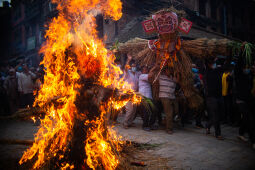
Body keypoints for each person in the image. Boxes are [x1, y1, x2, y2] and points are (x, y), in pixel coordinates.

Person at [204, 59, 224, 140]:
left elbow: (226, 65)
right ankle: (218, 133)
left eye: (214, 63)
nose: (214, 64)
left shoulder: (218, 70)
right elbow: (204, 59)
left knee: (219, 115)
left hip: (219, 96)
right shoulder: (206, 72)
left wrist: (230, 53)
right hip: (211, 97)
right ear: (208, 64)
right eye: (212, 63)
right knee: (216, 115)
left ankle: (208, 125)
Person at [159, 67, 178, 134]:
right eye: (168, 69)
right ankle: (169, 128)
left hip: (172, 97)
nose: (169, 71)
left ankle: (165, 120)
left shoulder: (173, 78)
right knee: (169, 112)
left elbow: (178, 81)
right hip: (164, 96)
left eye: (170, 70)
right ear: (165, 70)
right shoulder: (161, 76)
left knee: (176, 110)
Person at [123, 54, 140, 129]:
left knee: (134, 110)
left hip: (135, 94)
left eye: (135, 66)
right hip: (127, 93)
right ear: (131, 67)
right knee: (130, 109)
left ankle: (130, 122)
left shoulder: (137, 74)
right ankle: (125, 123)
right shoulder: (128, 73)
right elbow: (126, 67)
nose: (134, 67)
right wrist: (128, 60)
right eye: (132, 66)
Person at [138, 66, 156, 131]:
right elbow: (150, 75)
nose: (146, 70)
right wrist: (155, 67)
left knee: (154, 110)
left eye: (147, 69)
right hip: (144, 96)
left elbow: (152, 77)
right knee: (146, 112)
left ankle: (151, 124)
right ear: (142, 71)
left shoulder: (147, 77)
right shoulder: (141, 76)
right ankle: (145, 125)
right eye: (145, 69)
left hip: (149, 96)